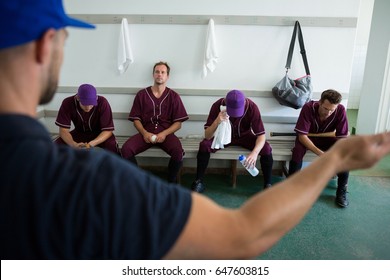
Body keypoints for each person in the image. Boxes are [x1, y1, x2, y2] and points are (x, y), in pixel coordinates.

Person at [1, 0, 390, 260]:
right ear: (44, 44)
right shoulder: (89, 183)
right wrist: (337, 158)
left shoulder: (237, 107)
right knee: (149, 152)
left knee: (180, 150)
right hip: (129, 155)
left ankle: (175, 185)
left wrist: (249, 148)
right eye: (65, 40)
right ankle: (170, 185)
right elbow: (243, 234)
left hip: (166, 137)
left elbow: (214, 129)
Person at [191, 90, 274, 193]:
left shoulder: (252, 107)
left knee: (266, 148)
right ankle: (199, 181)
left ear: (244, 102)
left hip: (245, 136)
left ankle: (268, 184)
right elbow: (207, 136)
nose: (235, 115)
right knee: (204, 145)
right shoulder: (218, 105)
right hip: (223, 137)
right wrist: (217, 121)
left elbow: (261, 136)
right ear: (226, 102)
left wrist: (255, 153)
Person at [121, 61, 189, 183]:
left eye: (163, 72)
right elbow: (136, 119)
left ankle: (170, 182)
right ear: (153, 75)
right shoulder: (142, 94)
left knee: (178, 152)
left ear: (167, 76)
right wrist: (144, 133)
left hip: (166, 134)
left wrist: (164, 134)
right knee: (126, 149)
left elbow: (178, 123)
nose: (159, 74)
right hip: (146, 133)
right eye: (157, 72)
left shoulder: (174, 96)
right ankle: (138, 180)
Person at [288, 89, 350, 207]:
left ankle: (341, 191)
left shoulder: (340, 110)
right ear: (320, 102)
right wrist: (321, 154)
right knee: (297, 151)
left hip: (328, 139)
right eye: (326, 109)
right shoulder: (308, 108)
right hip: (308, 138)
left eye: (332, 110)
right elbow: (302, 137)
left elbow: (342, 137)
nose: (328, 113)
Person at [54, 83, 120, 154]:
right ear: (78, 98)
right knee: (57, 144)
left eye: (91, 104)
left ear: (96, 98)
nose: (88, 108)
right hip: (79, 133)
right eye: (85, 104)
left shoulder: (103, 102)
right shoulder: (67, 103)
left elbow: (108, 130)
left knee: (111, 145)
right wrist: (73, 144)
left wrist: (91, 144)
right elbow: (63, 130)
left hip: (100, 133)